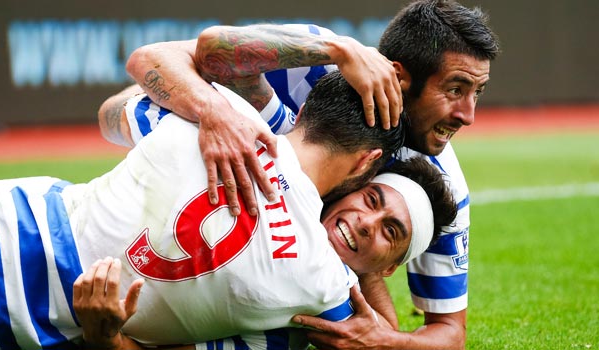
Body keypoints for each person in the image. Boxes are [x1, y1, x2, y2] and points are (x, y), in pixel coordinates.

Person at [117, 0, 500, 348]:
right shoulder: (318, 65)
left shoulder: (440, 190)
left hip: (294, 261)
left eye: (476, 93)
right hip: (195, 192)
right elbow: (155, 64)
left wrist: (388, 340)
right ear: (399, 79)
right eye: (455, 89)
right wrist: (215, 114)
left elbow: (450, 332)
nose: (468, 115)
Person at [0, 70, 452, 349]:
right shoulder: (323, 289)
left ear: (304, 111)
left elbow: (111, 113)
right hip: (18, 314)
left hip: (3, 208)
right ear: (366, 167)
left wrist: (203, 103)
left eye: (390, 231)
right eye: (372, 200)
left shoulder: (218, 107)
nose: (368, 224)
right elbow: (373, 333)